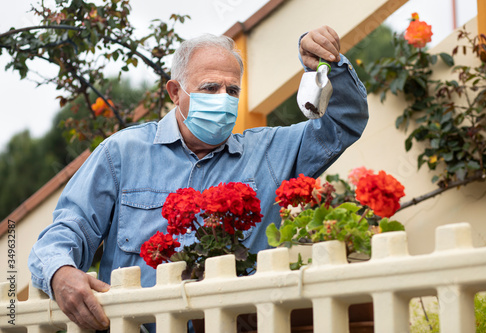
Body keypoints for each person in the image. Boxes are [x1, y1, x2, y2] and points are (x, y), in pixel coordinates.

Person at [28, 25, 368, 331]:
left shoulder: (269, 153)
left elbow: (344, 121)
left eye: (232, 91)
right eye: (209, 88)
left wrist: (327, 65)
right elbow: (68, 228)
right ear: (176, 92)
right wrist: (61, 272)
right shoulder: (122, 153)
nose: (223, 99)